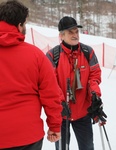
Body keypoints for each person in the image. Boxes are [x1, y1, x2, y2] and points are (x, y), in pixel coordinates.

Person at [0, 0, 63, 150]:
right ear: (20, 25)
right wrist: (54, 125)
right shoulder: (36, 55)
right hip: (26, 136)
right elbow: (51, 94)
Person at [46, 16, 107, 150]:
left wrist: (94, 97)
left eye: (76, 32)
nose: (75, 35)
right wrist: (61, 102)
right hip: (61, 116)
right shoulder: (52, 56)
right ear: (61, 35)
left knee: (87, 147)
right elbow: (50, 85)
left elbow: (94, 77)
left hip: (83, 114)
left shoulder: (88, 53)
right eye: (70, 32)